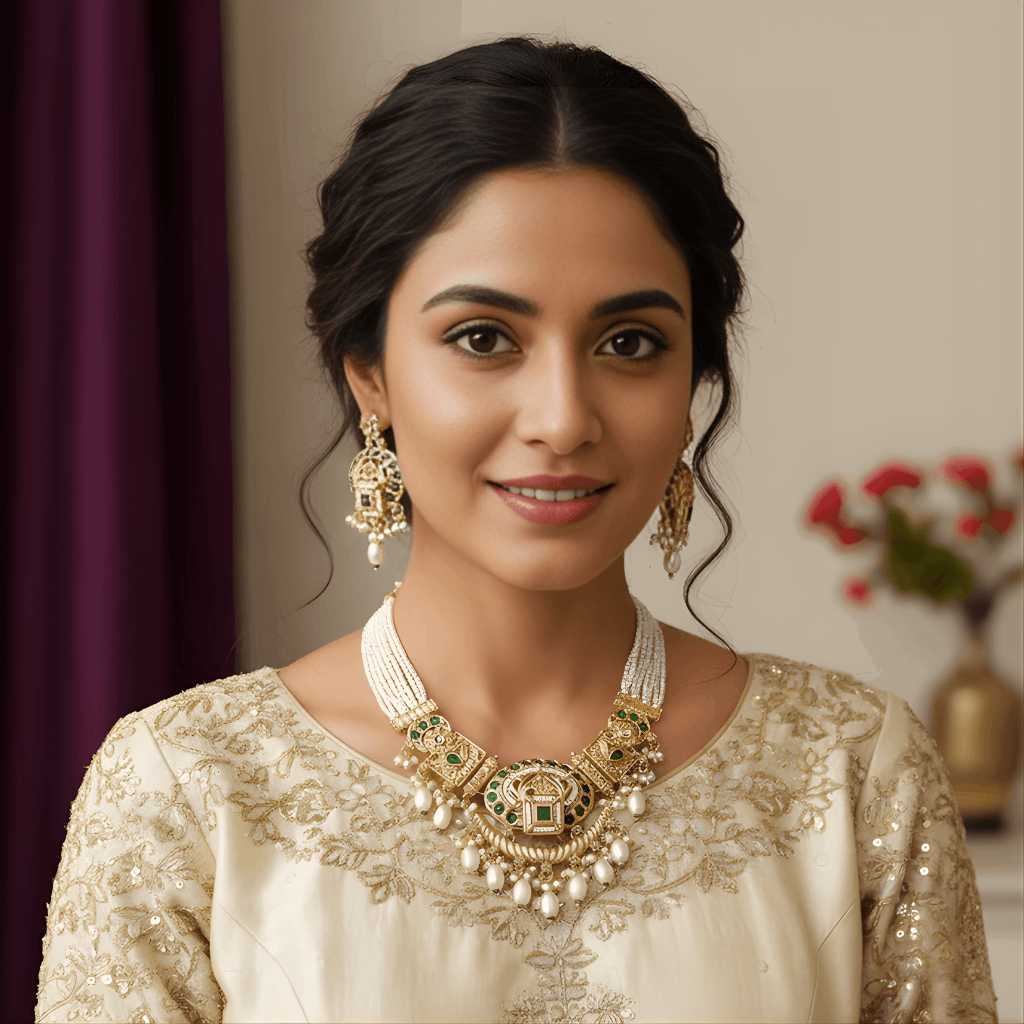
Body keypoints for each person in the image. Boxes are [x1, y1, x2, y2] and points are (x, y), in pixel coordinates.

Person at [36, 36, 996, 1024]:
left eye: (630, 343)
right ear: (368, 369)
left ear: (691, 383)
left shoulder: (850, 772)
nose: (561, 416)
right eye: (483, 338)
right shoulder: (190, 786)